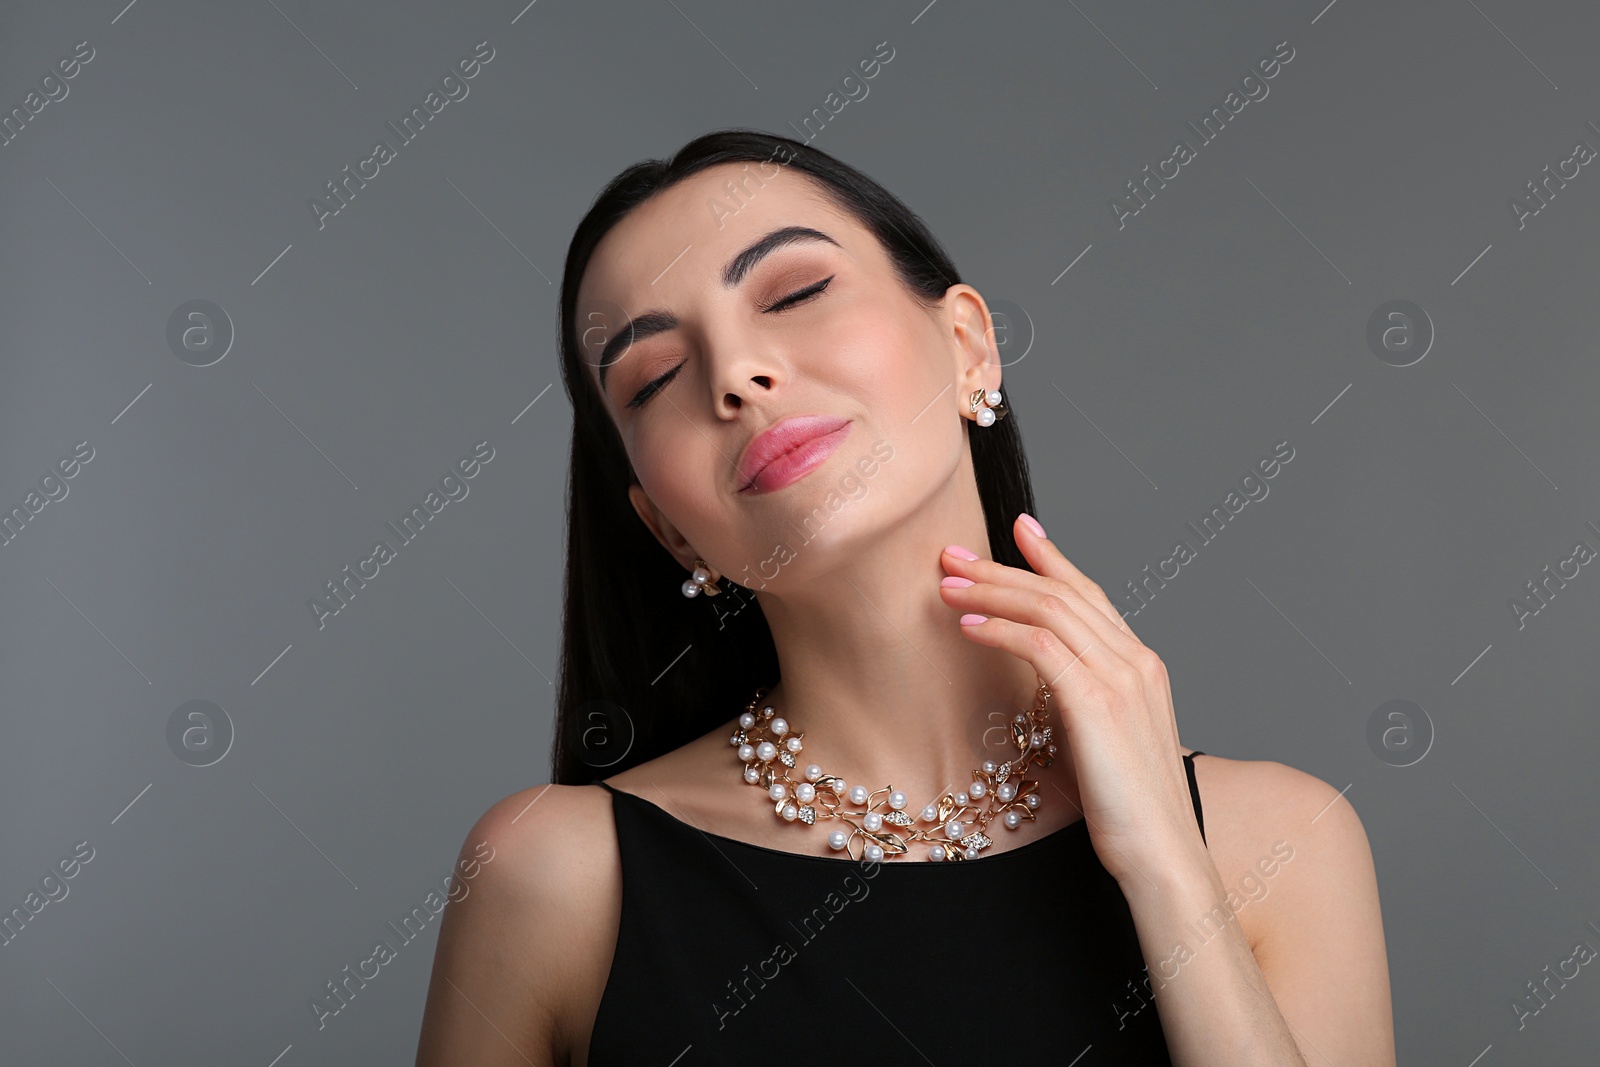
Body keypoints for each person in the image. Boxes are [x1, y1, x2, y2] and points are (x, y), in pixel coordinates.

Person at [414, 128, 1395, 1066]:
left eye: (795, 292)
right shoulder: (554, 877)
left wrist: (1167, 866)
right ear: (667, 527)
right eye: (657, 374)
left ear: (968, 343)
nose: (738, 376)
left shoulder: (1279, 839)